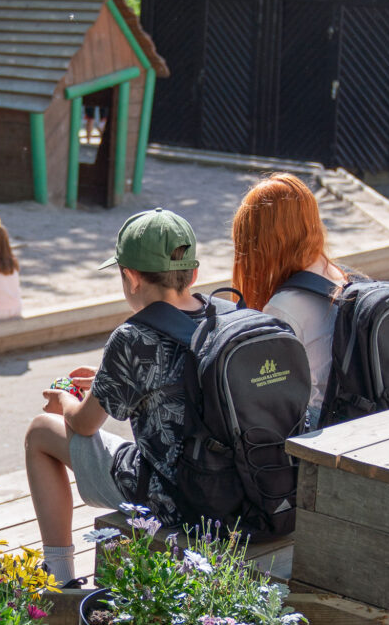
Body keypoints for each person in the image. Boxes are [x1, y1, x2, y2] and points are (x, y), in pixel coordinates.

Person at [25, 207, 224, 585]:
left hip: (170, 494)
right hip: (229, 484)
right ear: (193, 273)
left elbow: (84, 424)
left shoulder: (133, 337)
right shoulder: (222, 315)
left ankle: (60, 576)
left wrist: (63, 402)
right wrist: (106, 379)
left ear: (131, 278)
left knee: (39, 432)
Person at [232, 173, 348, 429]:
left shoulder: (284, 306)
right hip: (351, 413)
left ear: (261, 244)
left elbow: (266, 398)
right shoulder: (337, 275)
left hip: (320, 427)